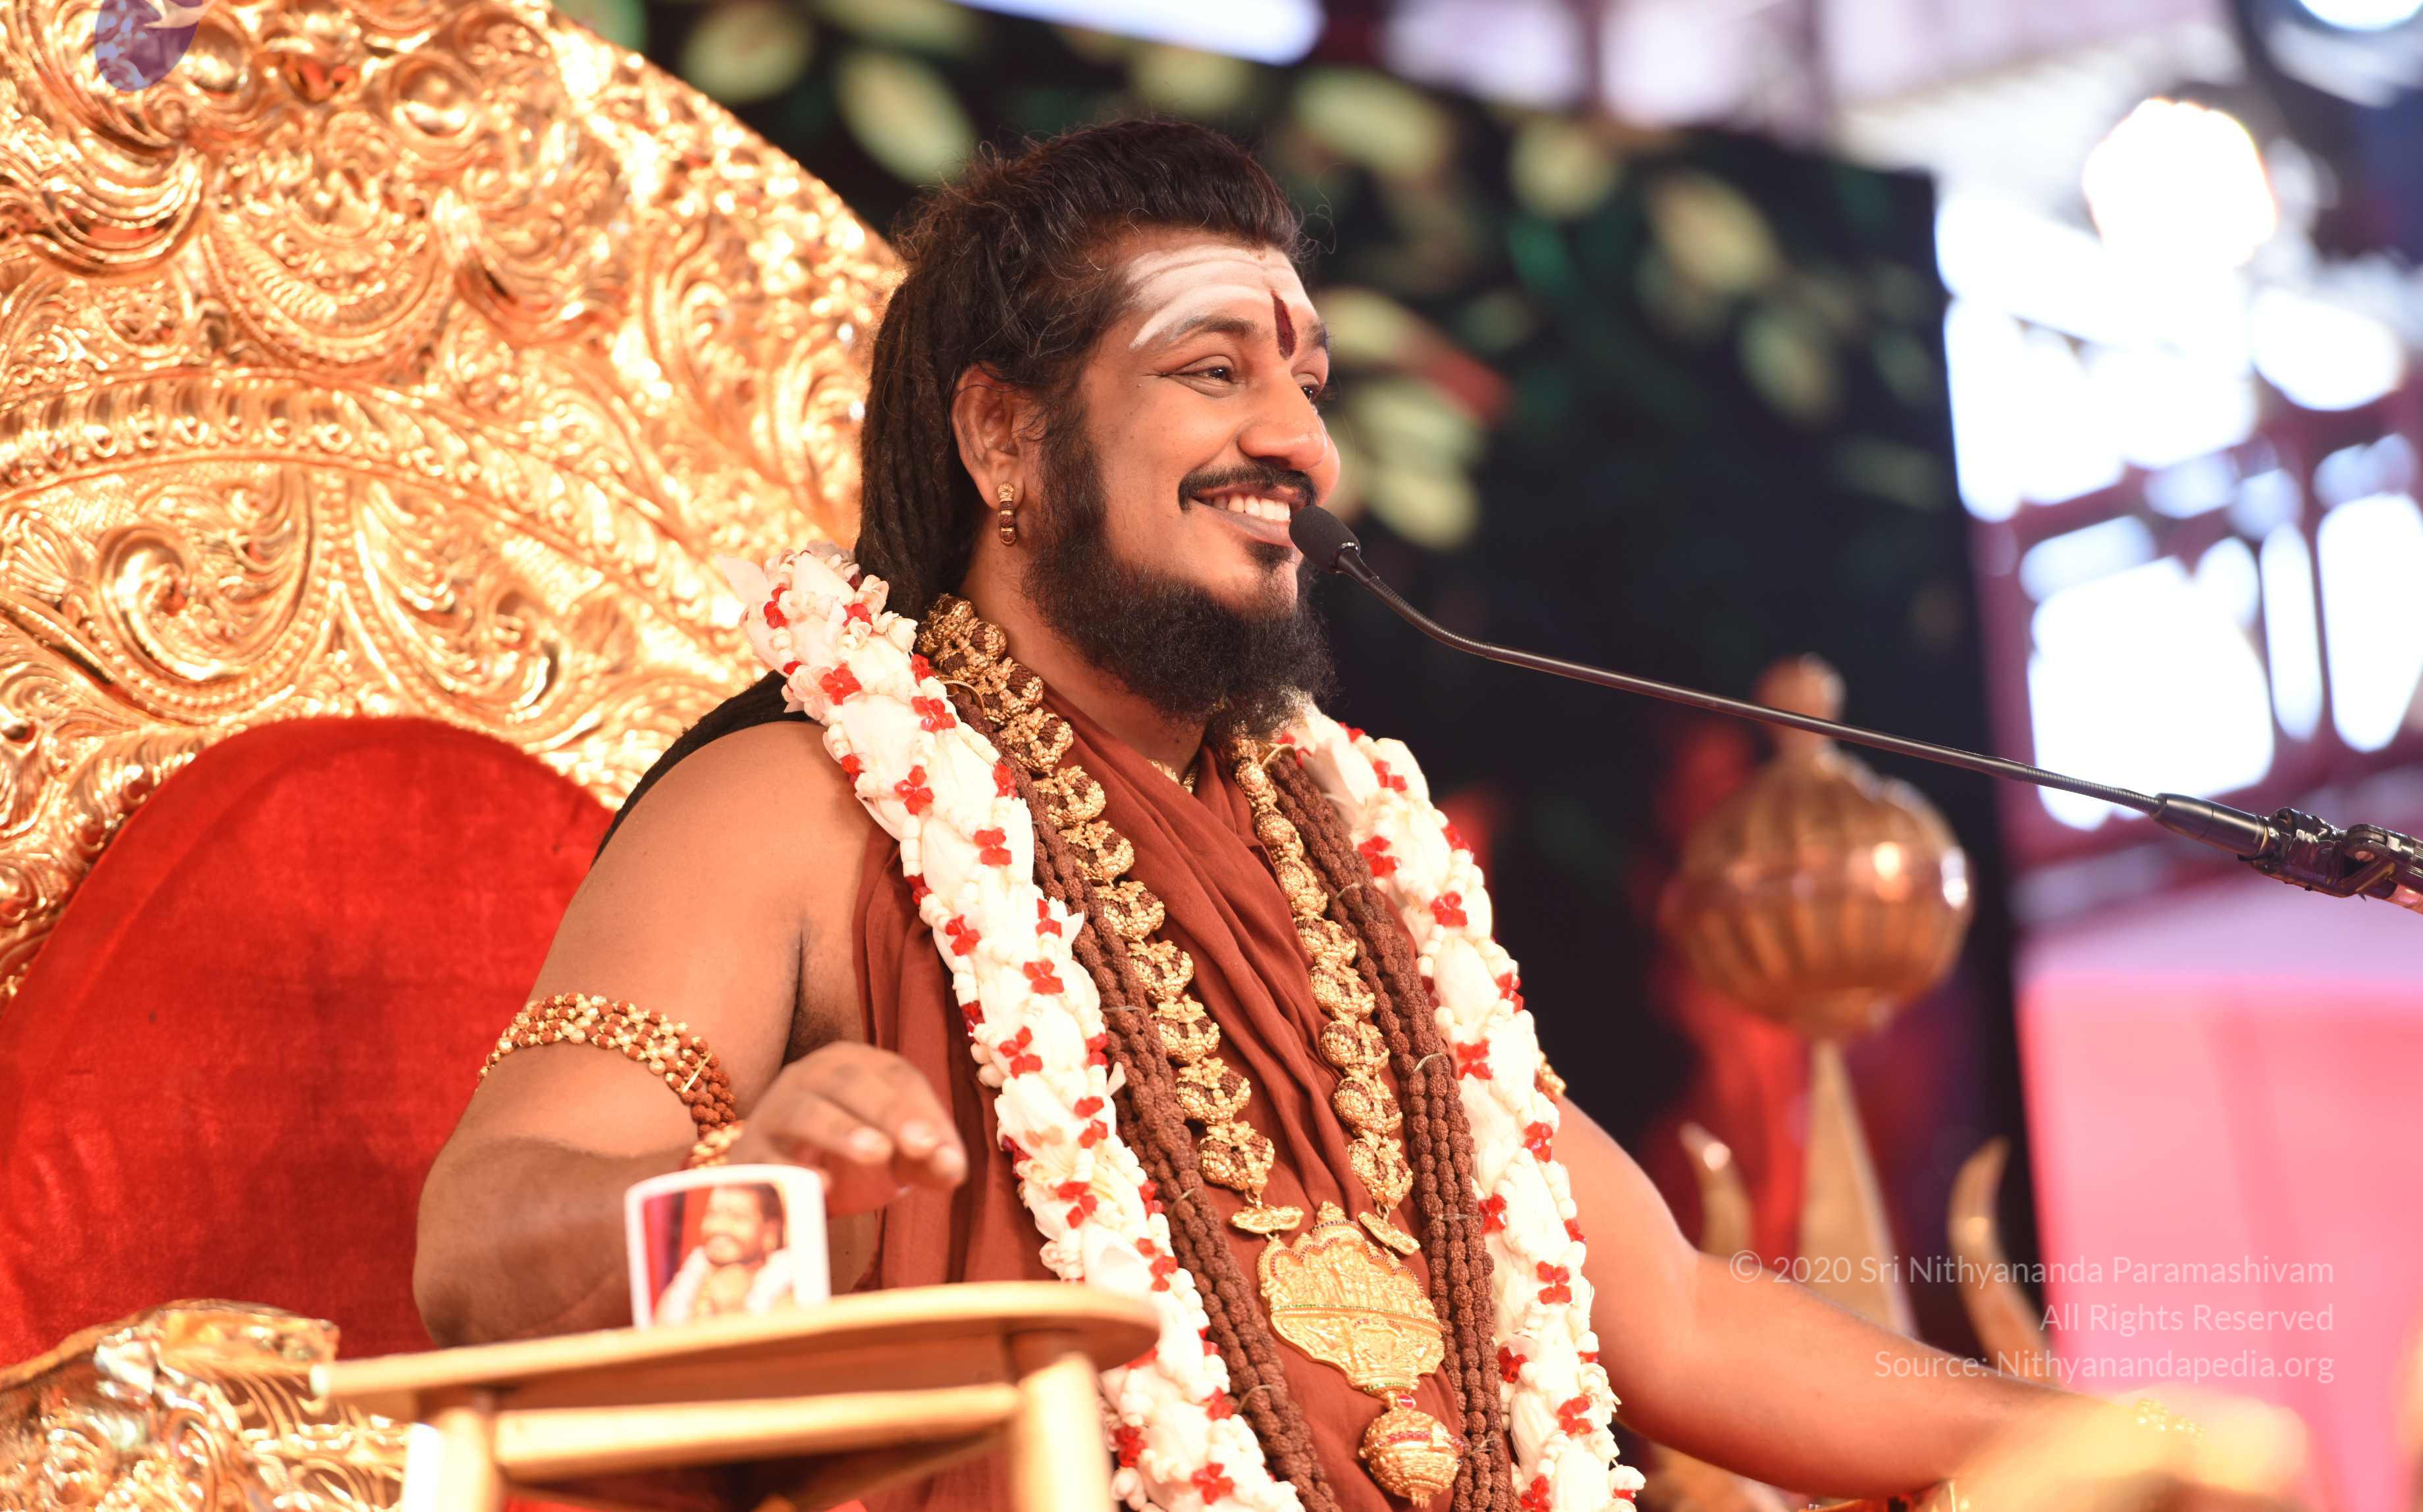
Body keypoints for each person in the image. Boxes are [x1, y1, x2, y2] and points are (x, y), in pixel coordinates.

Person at [413, 118, 2106, 1512]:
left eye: (1307, 382)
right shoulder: (799, 799)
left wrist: (2124, 1445)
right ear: (1003, 437)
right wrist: (748, 1185)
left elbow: (1673, 1316)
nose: (1299, 441)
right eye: (1213, 369)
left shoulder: (1358, 852)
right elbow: (478, 1244)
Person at [651, 1182, 799, 1324]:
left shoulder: (787, 1289)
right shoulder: (692, 1275)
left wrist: (731, 1309)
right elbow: (660, 1333)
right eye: (712, 1213)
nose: (718, 1227)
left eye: (737, 1217)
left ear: (770, 1233)